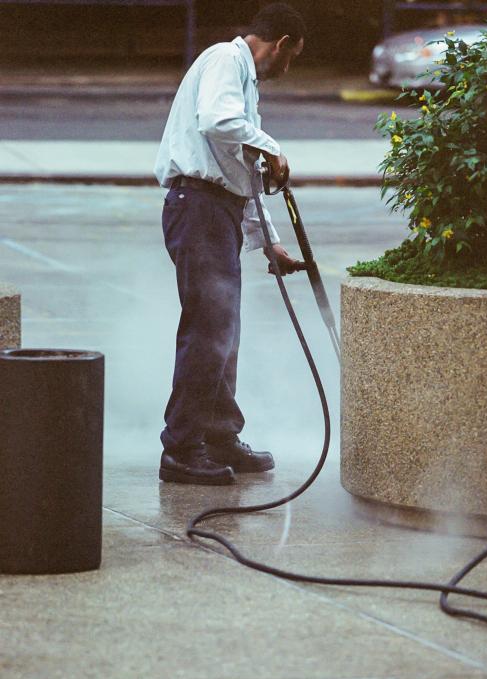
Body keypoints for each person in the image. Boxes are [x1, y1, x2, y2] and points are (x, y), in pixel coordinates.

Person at [155, 2, 306, 486]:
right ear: (280, 44)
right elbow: (217, 122)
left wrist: (270, 244)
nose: (289, 68)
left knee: (223, 332)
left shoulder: (244, 80)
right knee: (208, 330)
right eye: (292, 57)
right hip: (197, 208)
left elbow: (241, 179)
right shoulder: (226, 59)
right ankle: (181, 449)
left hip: (214, 209)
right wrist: (272, 144)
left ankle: (219, 436)